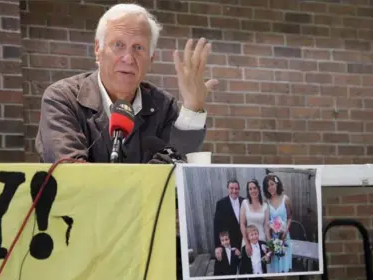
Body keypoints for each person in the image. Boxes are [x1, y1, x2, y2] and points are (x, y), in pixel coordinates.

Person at [35, 3, 218, 163]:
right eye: (118, 45)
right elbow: (73, 177)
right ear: (98, 49)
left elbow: (174, 177)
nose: (128, 58)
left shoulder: (163, 106)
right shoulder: (63, 99)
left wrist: (193, 108)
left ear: (151, 58)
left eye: (138, 48)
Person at [262, 174, 293, 273]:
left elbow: (289, 217)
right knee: (274, 267)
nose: (270, 187)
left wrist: (285, 231)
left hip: (284, 237)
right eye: (267, 186)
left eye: (272, 184)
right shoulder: (266, 202)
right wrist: (270, 240)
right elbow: (266, 222)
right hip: (273, 238)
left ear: (277, 184)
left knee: (284, 265)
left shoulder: (286, 199)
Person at [213, 179, 244, 256]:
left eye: (236, 188)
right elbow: (217, 226)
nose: (234, 191)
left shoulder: (244, 201)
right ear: (228, 189)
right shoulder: (221, 204)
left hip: (244, 241)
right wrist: (218, 246)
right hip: (229, 243)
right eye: (231, 188)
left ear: (239, 189)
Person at [239, 179, 269, 258]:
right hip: (248, 239)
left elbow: (266, 226)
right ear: (248, 191)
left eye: (255, 188)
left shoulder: (265, 205)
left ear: (259, 189)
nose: (253, 191)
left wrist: (269, 243)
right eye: (250, 189)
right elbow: (242, 224)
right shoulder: (245, 203)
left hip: (261, 239)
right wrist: (247, 243)